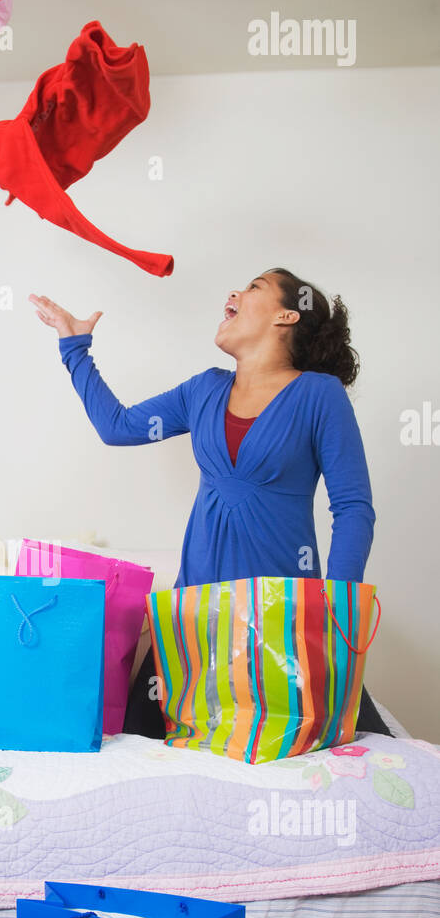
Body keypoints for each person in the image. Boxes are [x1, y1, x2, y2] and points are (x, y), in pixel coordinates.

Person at [29, 268, 391, 738]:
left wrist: (335, 604)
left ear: (287, 315)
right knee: (140, 741)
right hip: (192, 616)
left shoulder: (318, 395)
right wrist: (75, 347)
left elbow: (353, 508)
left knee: (322, 741)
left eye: (254, 286)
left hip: (281, 618)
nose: (234, 292)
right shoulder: (204, 389)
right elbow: (116, 426)